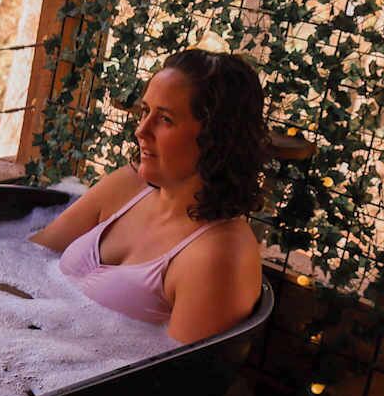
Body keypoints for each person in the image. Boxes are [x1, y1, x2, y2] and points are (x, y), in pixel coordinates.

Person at [31, 48, 269, 343]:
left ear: (216, 139)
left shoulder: (218, 256)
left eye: (165, 119)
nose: (141, 131)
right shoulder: (128, 187)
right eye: (145, 112)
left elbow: (175, 380)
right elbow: (29, 256)